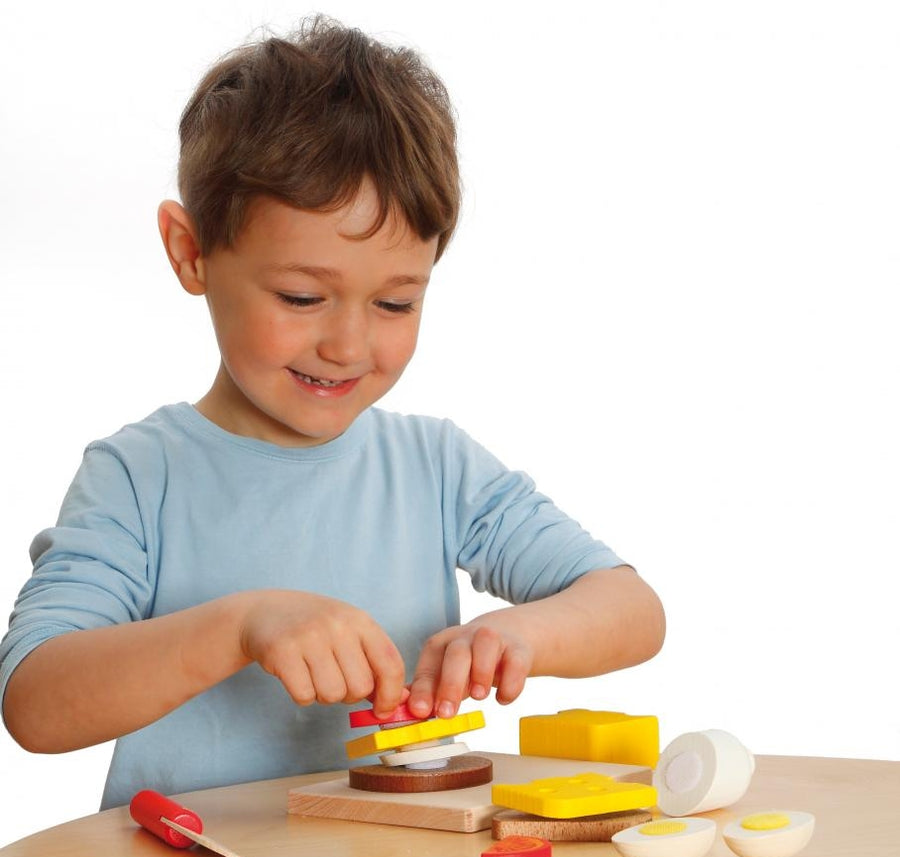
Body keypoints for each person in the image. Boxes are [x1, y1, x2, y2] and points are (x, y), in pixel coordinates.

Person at [0, 17, 665, 810]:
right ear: (191, 252)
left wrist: (519, 635)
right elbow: (35, 702)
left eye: (395, 302)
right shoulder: (141, 477)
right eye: (302, 297)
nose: (348, 344)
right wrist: (242, 625)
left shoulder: (435, 468)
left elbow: (633, 610)